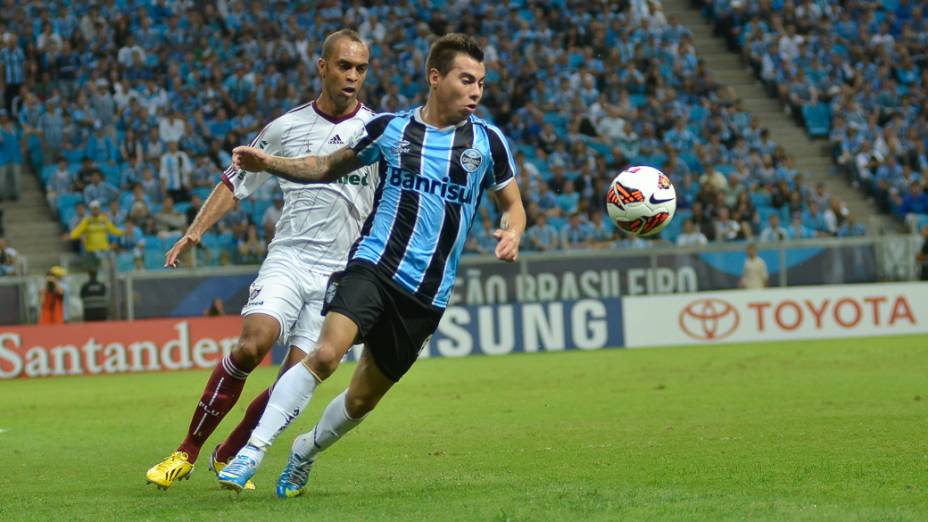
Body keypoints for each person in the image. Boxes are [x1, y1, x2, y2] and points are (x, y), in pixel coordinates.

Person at [218, 33, 525, 498]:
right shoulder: (391, 130)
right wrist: (270, 163)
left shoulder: (488, 143)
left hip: (426, 294)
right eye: (467, 80)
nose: (477, 92)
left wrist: (513, 229)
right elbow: (325, 165)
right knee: (325, 354)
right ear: (436, 78)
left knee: (362, 399)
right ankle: (251, 452)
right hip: (373, 265)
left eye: (481, 82)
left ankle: (304, 451)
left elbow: (513, 204)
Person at [145, 29, 379, 491]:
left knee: (295, 379)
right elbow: (235, 181)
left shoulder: (378, 130)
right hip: (290, 258)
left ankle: (228, 454)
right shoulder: (285, 128)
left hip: (340, 273)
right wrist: (195, 230)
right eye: (344, 66)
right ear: (322, 67)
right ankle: (186, 452)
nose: (352, 76)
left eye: (361, 68)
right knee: (254, 344)